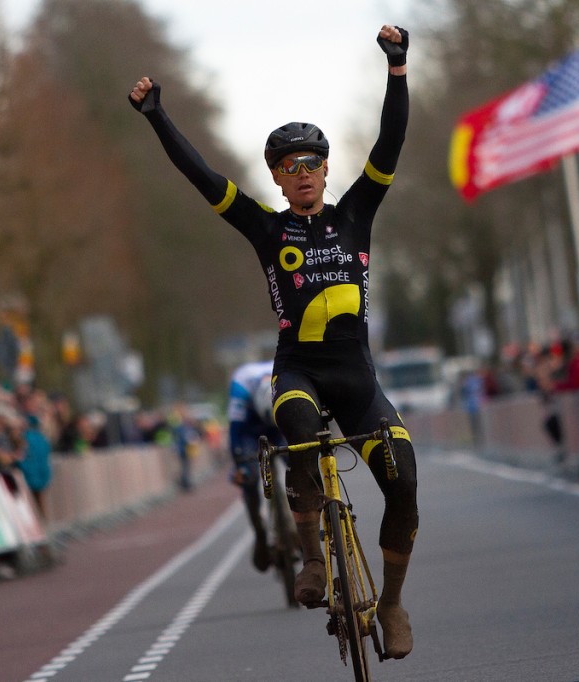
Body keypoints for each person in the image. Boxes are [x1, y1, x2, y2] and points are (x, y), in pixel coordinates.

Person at [129, 25, 417, 658]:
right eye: (288, 167)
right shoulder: (265, 228)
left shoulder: (356, 212)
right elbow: (202, 176)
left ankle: (391, 602)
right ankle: (312, 558)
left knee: (403, 477)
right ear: (278, 180)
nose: (303, 174)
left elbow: (391, 139)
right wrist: (158, 117)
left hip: (358, 378)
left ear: (324, 169)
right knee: (298, 422)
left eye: (311, 163)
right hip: (300, 372)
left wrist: (397, 69)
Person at [227, 360, 284, 572]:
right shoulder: (240, 389)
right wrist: (241, 463)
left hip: (279, 422)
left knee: (299, 459)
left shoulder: (284, 374)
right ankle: (260, 534)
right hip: (250, 427)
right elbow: (235, 433)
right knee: (248, 475)